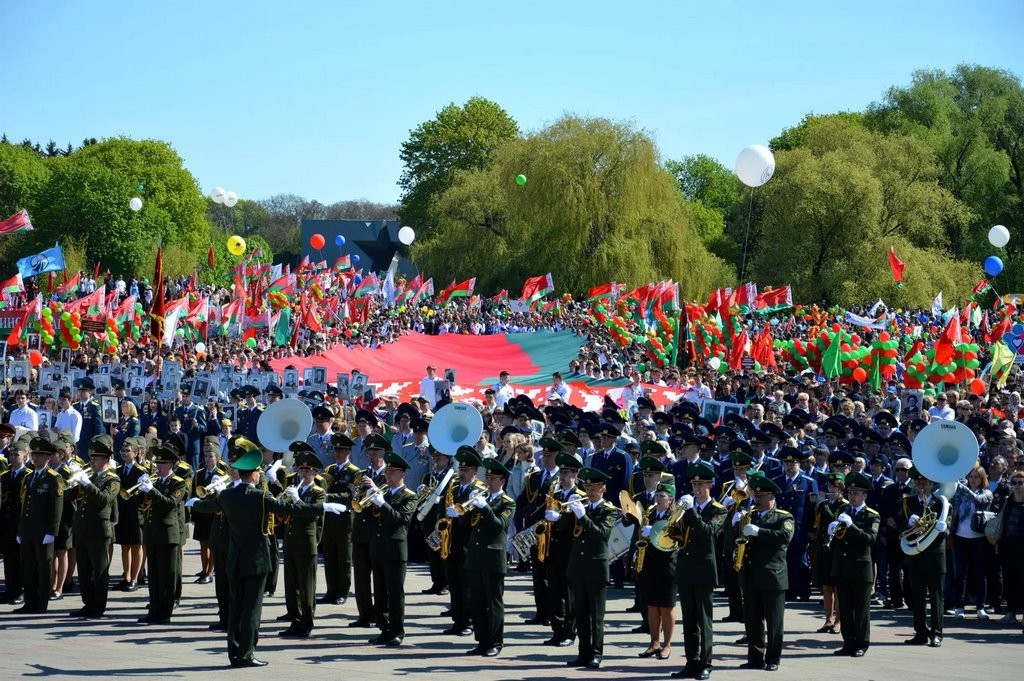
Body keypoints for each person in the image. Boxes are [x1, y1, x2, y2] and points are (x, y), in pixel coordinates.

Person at [187, 436, 345, 668]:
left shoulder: (227, 496)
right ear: (252, 475)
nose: (260, 474)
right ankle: (247, 653)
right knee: (251, 609)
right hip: (257, 561)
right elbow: (290, 508)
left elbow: (208, 506)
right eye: (258, 472)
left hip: (235, 559)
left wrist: (193, 504)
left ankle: (234, 653)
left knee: (235, 608)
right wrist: (322, 506)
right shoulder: (260, 497)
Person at [671, 462, 727, 680]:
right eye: (694, 484)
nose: (696, 488)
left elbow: (708, 532)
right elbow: (674, 533)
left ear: (710, 485)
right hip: (685, 567)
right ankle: (691, 661)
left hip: (704, 569)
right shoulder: (686, 507)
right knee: (689, 620)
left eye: (701, 484)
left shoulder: (718, 509)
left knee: (704, 620)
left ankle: (706, 662)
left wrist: (691, 511)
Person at [737, 473, 794, 672]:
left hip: (773, 576)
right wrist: (734, 520)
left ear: (772, 497)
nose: (757, 500)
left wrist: (759, 532)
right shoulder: (749, 515)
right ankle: (755, 657)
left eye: (762, 496)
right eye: (756, 496)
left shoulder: (783, 516)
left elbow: (785, 536)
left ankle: (773, 659)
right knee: (753, 622)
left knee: (774, 622)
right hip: (751, 575)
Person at [564, 467, 617, 670]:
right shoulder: (581, 506)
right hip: (578, 566)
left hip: (596, 567)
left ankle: (596, 654)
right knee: (581, 614)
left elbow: (601, 534)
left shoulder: (609, 511)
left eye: (594, 488)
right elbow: (564, 530)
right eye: (587, 487)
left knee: (596, 617)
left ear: (603, 489)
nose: (590, 491)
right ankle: (583, 653)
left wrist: (583, 516)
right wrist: (566, 514)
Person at [463, 457, 516, 656]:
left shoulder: (507, 502)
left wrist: (484, 507)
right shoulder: (481, 497)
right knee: (476, 601)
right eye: (488, 477)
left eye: (493, 479)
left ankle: (495, 641)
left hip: (493, 557)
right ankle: (482, 640)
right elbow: (467, 525)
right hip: (475, 555)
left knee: (493, 602)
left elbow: (499, 526)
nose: (488, 482)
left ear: (502, 481)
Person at [366, 450, 417, 647]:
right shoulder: (384, 493)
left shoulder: (409, 496)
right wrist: (371, 501)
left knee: (395, 595)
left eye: (392, 472)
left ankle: (397, 631)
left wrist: (382, 504)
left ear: (402, 474)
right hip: (378, 548)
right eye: (387, 472)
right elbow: (371, 519)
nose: (387, 475)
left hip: (395, 551)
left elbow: (401, 520)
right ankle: (385, 629)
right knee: (379, 593)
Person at [69, 434, 121, 618]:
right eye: (90, 458)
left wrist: (86, 483)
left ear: (105, 460)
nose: (91, 461)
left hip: (99, 531)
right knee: (83, 569)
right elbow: (71, 497)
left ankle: (98, 605)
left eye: (95, 458)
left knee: (99, 571)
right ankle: (88, 603)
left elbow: (103, 500)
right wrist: (75, 482)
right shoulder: (89, 476)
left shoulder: (112, 479)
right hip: (83, 529)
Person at [135, 443, 187, 624]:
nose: (157, 467)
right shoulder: (155, 481)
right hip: (153, 533)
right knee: (154, 575)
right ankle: (154, 609)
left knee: (168, 575)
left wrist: (151, 490)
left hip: (168, 534)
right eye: (157, 463)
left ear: (170, 465)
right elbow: (140, 505)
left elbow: (169, 503)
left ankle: (165, 613)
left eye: (162, 464)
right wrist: (141, 490)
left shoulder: (178, 483)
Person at [278, 443, 326, 638]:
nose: (303, 473)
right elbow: (283, 512)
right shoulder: (293, 488)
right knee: (291, 586)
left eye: (307, 470)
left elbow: (311, 513)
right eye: (301, 469)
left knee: (306, 587)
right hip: (290, 542)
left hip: (306, 543)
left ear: (314, 472)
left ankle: (307, 622)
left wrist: (296, 500)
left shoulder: (317, 492)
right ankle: (295, 621)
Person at [830, 471, 879, 658]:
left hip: (861, 569)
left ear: (864, 495)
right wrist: (832, 532)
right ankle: (848, 643)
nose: (852, 496)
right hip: (843, 567)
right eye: (850, 493)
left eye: (856, 493)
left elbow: (870, 539)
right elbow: (838, 541)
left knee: (861, 610)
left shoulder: (871, 516)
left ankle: (861, 643)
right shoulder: (843, 512)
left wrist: (852, 526)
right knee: (845, 608)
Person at [15, 438, 64, 614]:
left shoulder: (54, 478)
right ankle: (29, 601)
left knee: (44, 568)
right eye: (34, 454)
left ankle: (41, 603)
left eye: (40, 455)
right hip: (28, 529)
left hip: (43, 531)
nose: (35, 458)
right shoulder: (28, 476)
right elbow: (24, 504)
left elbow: (56, 508)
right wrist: (21, 529)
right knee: (28, 567)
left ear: (48, 458)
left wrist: (52, 531)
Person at [902, 467, 949, 647]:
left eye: (925, 483)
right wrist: (908, 524)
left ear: (931, 484)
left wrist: (943, 528)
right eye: (918, 482)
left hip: (935, 557)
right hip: (915, 556)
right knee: (918, 597)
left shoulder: (942, 504)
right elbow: (899, 528)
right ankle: (920, 632)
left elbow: (948, 528)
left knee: (936, 597)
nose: (921, 486)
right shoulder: (908, 503)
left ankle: (937, 633)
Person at [636, 477, 679, 661]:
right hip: (650, 565)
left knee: (666, 607)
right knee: (652, 606)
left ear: (670, 499)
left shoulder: (675, 516)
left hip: (668, 566)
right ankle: (654, 643)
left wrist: (653, 529)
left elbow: (672, 537)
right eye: (658, 495)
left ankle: (667, 645)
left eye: (662, 495)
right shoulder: (651, 513)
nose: (658, 498)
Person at [350, 434, 389, 627]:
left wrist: (375, 488)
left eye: (375, 453)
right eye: (369, 452)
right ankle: (364, 614)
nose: (371, 456)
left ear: (383, 454)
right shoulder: (362, 475)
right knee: (361, 576)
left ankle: (380, 614)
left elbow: (389, 503)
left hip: (378, 532)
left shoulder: (389, 476)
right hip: (361, 531)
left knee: (380, 578)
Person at [949, 464, 994, 619]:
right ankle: (959, 607)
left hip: (978, 539)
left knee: (979, 574)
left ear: (982, 479)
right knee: (960, 574)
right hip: (961, 537)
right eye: (971, 477)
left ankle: (980, 607)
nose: (973, 480)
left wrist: (960, 486)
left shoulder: (987, 493)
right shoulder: (960, 492)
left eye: (976, 477)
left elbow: (976, 499)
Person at [320, 432, 360, 605]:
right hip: (329, 518)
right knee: (329, 556)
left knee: (344, 557)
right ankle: (331, 590)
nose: (337, 453)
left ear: (348, 451)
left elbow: (350, 495)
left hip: (345, 519)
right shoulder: (330, 470)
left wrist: (328, 497)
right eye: (336, 449)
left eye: (341, 450)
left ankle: (343, 591)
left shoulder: (355, 472)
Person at [813, 472, 849, 634]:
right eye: (830, 486)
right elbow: (815, 522)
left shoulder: (844, 505)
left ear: (841, 489)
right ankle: (828, 619)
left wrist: (822, 504)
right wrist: (814, 504)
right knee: (826, 586)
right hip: (823, 548)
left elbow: (832, 520)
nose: (831, 489)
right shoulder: (824, 503)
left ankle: (839, 621)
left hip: (836, 549)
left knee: (837, 587)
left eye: (835, 487)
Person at [0, 440, 30, 605]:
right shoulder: (4, 476)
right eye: (10, 454)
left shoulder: (28, 475)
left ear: (25, 456)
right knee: (9, 558)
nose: (12, 457)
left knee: (21, 559)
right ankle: (10, 589)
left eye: (16, 455)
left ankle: (21, 591)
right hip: (6, 523)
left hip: (21, 522)